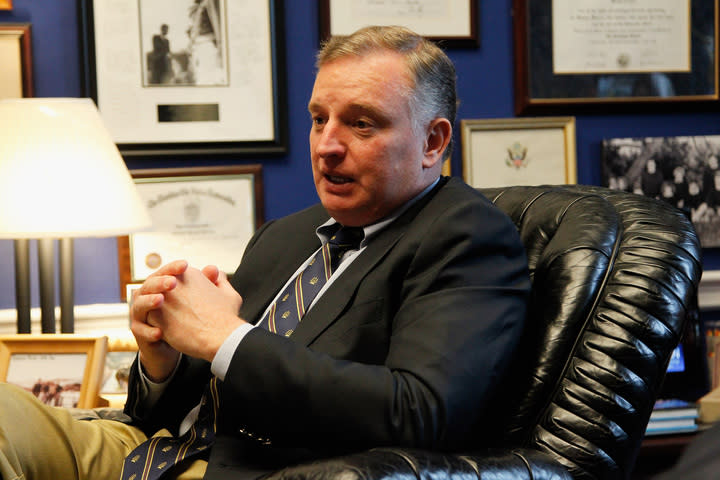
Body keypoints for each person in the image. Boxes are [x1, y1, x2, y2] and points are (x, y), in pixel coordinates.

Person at [0, 25, 531, 480]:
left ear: (433, 141)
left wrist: (224, 336)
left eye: (361, 123)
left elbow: (420, 411)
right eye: (320, 118)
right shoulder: (288, 234)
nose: (326, 145)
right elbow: (190, 395)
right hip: (145, 454)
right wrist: (160, 358)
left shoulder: (466, 238)